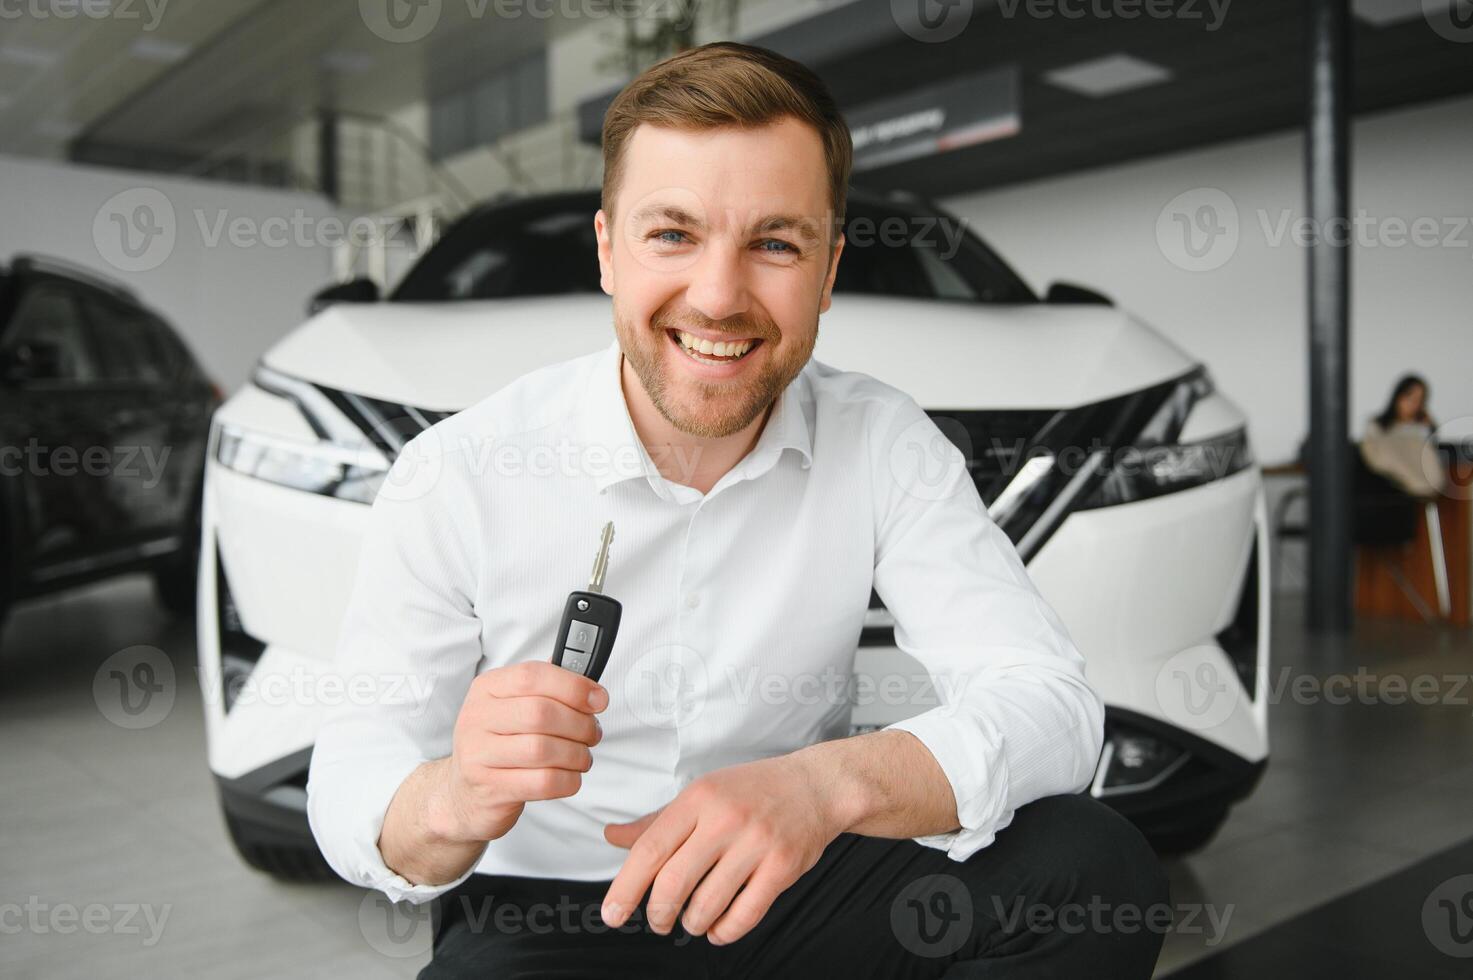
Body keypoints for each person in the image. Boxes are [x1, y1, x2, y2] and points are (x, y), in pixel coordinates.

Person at [306, 42, 1168, 979]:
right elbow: (351, 780)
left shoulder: (881, 439)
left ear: (828, 270)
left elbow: (1052, 705)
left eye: (774, 242)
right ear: (607, 251)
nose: (718, 298)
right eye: (671, 235)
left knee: (1091, 867)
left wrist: (824, 786)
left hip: (797, 874)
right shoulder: (457, 471)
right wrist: (454, 794)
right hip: (553, 913)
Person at [1361, 374, 1446, 498]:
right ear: (1398, 396)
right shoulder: (1377, 427)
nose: (1414, 404)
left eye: (1419, 400)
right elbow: (1378, 460)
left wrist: (1426, 431)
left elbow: (1432, 473)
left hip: (1418, 492)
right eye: (1410, 397)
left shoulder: (1421, 431)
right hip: (1383, 490)